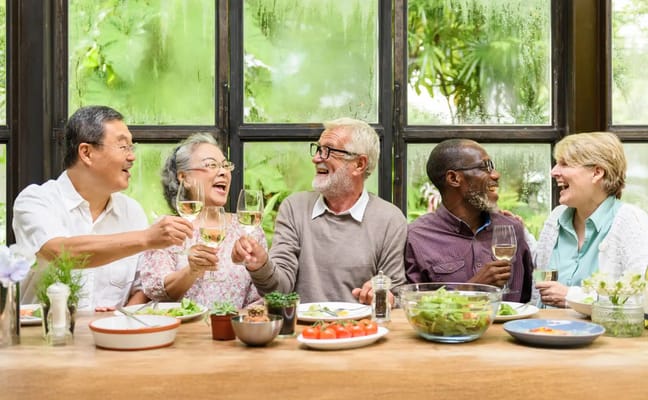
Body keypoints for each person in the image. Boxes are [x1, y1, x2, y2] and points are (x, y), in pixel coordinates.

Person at [12, 105, 194, 311]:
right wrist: (146, 238)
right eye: (123, 146)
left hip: (110, 338)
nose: (132, 156)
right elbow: (60, 252)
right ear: (87, 153)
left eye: (132, 148)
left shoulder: (131, 211)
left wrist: (121, 315)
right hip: (42, 338)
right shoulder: (36, 200)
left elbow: (140, 289)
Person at [231, 118, 407, 305]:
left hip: (361, 331)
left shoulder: (390, 219)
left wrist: (383, 296)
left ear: (359, 164)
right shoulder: (294, 208)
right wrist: (261, 266)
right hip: (301, 331)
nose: (316, 158)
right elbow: (279, 291)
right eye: (318, 149)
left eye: (328, 151)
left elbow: (394, 295)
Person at [138, 133, 264, 309]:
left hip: (232, 332)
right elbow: (156, 291)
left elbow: (261, 296)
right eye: (211, 165)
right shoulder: (166, 229)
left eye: (225, 165)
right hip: (181, 332)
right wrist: (192, 271)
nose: (223, 172)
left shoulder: (247, 229)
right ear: (184, 178)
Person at [404, 139, 533, 302]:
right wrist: (471, 289)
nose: (495, 174)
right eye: (485, 167)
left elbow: (524, 299)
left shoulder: (512, 229)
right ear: (453, 178)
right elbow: (415, 308)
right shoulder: (416, 238)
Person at [534, 131, 648, 308]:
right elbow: (538, 289)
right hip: (544, 332)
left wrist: (571, 297)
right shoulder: (556, 217)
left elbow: (639, 299)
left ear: (597, 173)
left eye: (564, 164)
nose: (554, 171)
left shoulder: (631, 222)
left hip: (602, 336)